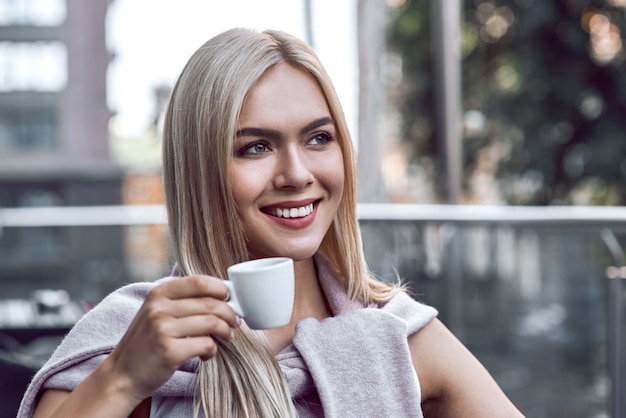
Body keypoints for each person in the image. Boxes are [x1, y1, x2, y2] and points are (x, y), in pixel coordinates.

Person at [20, 28, 523, 417]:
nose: (297, 174)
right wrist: (122, 378)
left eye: (318, 139)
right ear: (200, 170)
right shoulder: (129, 335)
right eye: (255, 147)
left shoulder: (399, 336)